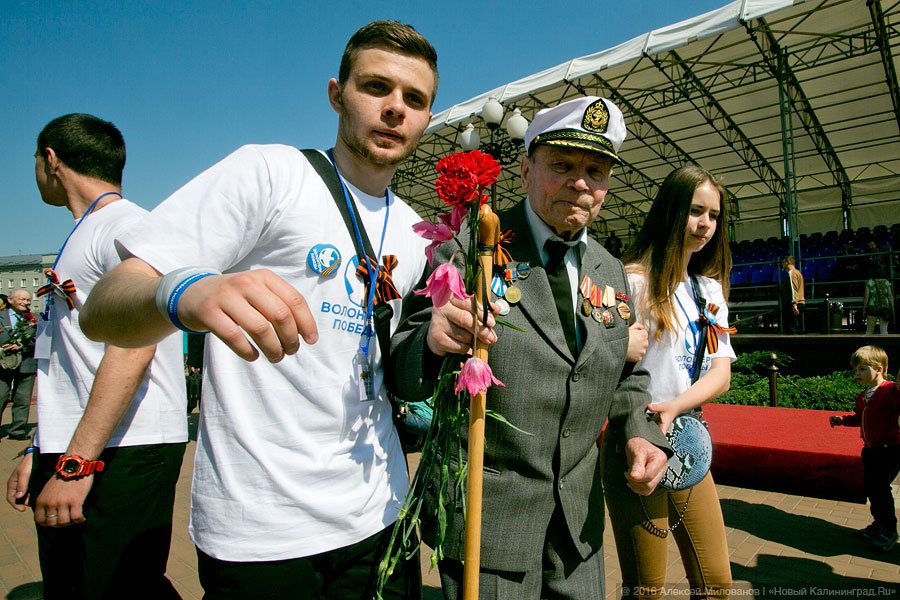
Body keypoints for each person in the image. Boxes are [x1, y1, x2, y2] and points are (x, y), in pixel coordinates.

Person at [80, 21, 437, 599]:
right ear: (335, 93)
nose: (395, 108)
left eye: (414, 99)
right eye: (376, 87)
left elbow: (393, 363)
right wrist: (185, 292)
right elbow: (102, 307)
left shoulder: (419, 234)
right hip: (263, 528)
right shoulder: (271, 174)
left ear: (426, 117)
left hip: (380, 514)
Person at [389, 96, 670, 599]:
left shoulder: (609, 269)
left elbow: (625, 373)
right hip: (490, 524)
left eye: (596, 170)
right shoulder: (470, 246)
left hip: (577, 528)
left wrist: (640, 433)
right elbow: (404, 368)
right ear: (524, 169)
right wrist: (433, 342)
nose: (580, 182)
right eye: (561, 165)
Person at [4, 114, 188, 599]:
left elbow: (135, 346)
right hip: (80, 446)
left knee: (115, 587)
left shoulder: (129, 227)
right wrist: (39, 447)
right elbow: (66, 360)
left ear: (51, 159)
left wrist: (76, 464)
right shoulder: (86, 233)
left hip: (125, 448)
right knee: (72, 583)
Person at [603, 165, 735, 599]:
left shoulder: (709, 292)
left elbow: (721, 372)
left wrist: (677, 407)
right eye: (695, 210)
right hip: (635, 439)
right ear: (670, 209)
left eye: (713, 215)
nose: (705, 225)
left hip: (685, 437)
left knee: (716, 583)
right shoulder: (629, 281)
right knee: (646, 589)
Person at [829, 345, 899, 552]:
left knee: (881, 489)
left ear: (879, 368)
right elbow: (860, 418)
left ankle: (889, 529)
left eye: (862, 369)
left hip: (890, 450)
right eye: (855, 370)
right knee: (872, 489)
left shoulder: (890, 390)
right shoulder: (863, 396)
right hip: (870, 450)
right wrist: (843, 420)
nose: (857, 374)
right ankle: (878, 523)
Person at [0, 289, 37, 441]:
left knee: (22, 399)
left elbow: (41, 339)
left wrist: (23, 346)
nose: (25, 302)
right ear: (10, 300)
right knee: (0, 396)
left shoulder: (36, 318)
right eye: (21, 299)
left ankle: (17, 430)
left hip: (26, 363)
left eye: (28, 300)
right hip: (2, 364)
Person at [862, 265, 894, 334]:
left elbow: (866, 297)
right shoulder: (886, 282)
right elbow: (890, 296)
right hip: (885, 308)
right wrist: (892, 308)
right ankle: (884, 344)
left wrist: (864, 309)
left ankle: (868, 344)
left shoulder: (869, 282)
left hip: (872, 308)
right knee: (884, 331)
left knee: (869, 330)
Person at [780, 255, 805, 333]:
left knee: (791, 331)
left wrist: (794, 304)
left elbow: (793, 289)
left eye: (783, 262)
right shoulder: (798, 272)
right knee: (798, 330)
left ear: (788, 262)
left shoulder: (792, 273)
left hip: (794, 305)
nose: (782, 264)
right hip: (800, 303)